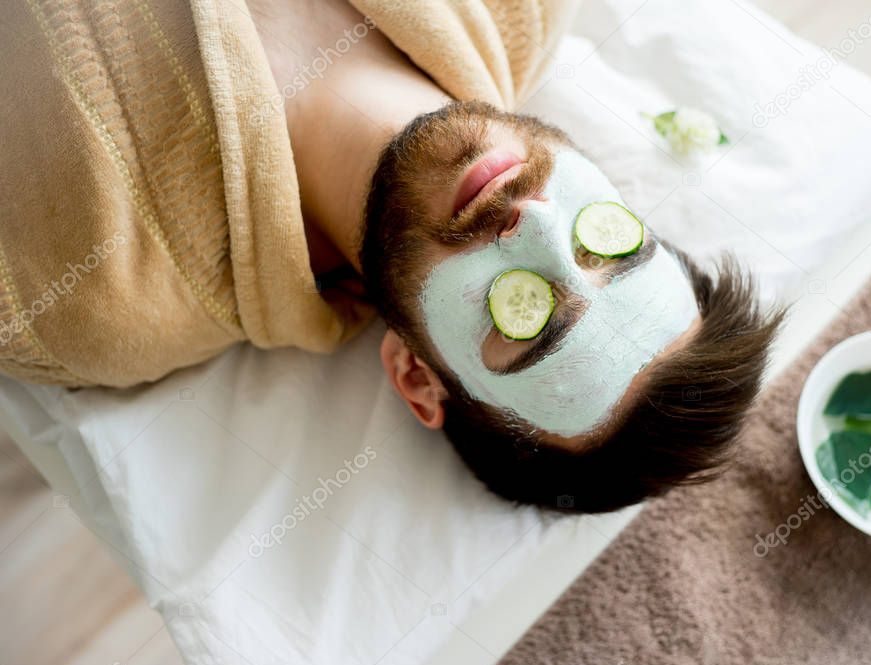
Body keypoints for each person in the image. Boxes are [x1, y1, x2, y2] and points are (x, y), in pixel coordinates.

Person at [0, 0, 780, 512]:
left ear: (415, 373)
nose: (537, 223)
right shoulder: (520, 10)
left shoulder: (84, 296)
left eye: (531, 322)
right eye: (610, 245)